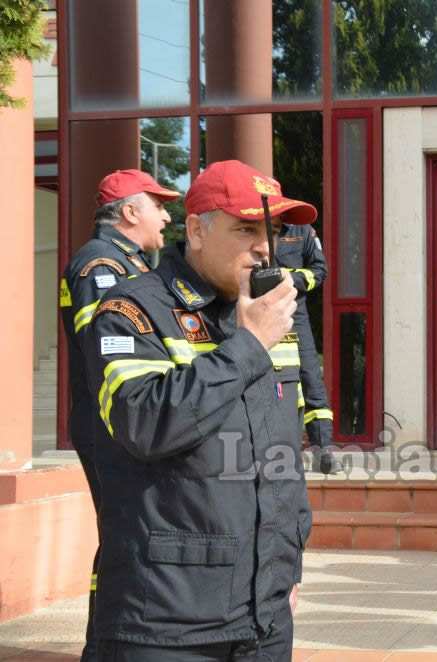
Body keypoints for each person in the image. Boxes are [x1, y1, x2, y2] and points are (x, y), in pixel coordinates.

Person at [84, 160, 313, 660]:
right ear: (196, 230)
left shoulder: (269, 314)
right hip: (167, 622)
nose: (264, 245)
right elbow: (145, 424)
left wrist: (286, 567)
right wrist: (248, 344)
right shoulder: (132, 309)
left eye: (272, 231)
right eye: (246, 228)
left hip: (264, 614)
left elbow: (281, 455)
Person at [59, 169, 179, 662]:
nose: (168, 215)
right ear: (130, 212)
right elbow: (102, 355)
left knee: (128, 533)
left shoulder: (126, 263)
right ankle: (103, 648)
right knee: (121, 537)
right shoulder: (99, 266)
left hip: (122, 426)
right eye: (159, 205)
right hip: (108, 426)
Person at [276, 221, 343, 474]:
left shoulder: (302, 231)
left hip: (296, 315)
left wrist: (288, 277)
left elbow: (319, 271)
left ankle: (323, 451)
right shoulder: (253, 227)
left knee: (311, 380)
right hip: (255, 311)